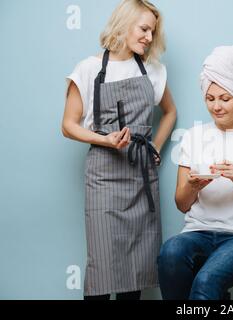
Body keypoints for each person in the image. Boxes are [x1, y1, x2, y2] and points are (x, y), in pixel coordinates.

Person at [61, 0, 177, 300]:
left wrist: (156, 148)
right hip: (103, 176)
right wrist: (106, 140)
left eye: (152, 31)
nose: (149, 38)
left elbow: (170, 113)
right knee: (101, 270)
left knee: (134, 272)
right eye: (144, 29)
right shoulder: (88, 69)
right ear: (123, 24)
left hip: (140, 176)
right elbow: (68, 125)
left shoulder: (152, 70)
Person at [157, 46, 233, 300]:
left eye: (225, 99)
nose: (216, 106)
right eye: (210, 98)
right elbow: (182, 204)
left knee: (207, 280)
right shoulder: (193, 137)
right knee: (170, 254)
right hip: (197, 232)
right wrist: (194, 186)